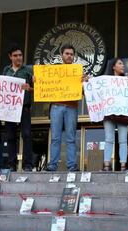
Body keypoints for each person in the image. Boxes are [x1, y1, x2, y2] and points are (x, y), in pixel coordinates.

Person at [46, 44, 79, 172]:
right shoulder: (53, 71)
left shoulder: (78, 72)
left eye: (71, 54)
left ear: (74, 56)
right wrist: (37, 80)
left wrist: (85, 82)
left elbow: (82, 91)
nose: (69, 56)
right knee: (55, 137)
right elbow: (46, 85)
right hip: (56, 106)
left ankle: (71, 165)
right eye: (67, 53)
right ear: (62, 55)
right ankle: (52, 165)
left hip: (72, 106)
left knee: (71, 137)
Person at [3, 45, 33, 171]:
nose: (18, 58)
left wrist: (29, 88)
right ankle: (11, 164)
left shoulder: (28, 70)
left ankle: (27, 165)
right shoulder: (6, 70)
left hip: (24, 107)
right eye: (15, 55)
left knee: (26, 135)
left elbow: (37, 90)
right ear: (10, 57)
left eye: (20, 55)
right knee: (10, 136)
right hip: (9, 108)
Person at [102, 58, 128, 171]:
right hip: (109, 113)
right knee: (109, 139)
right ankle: (106, 165)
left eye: (123, 63)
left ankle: (123, 166)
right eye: (120, 63)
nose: (123, 65)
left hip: (123, 113)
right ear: (113, 67)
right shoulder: (105, 81)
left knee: (123, 140)